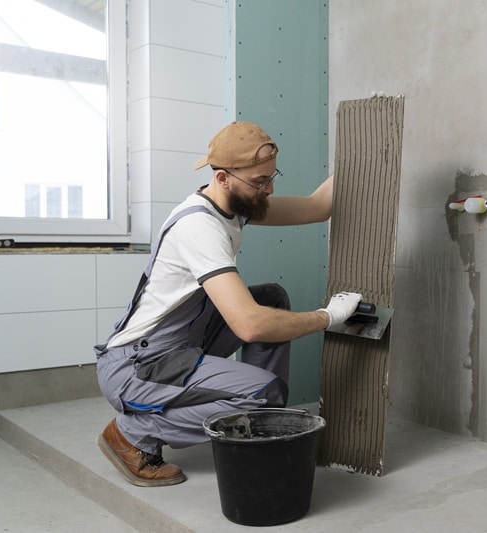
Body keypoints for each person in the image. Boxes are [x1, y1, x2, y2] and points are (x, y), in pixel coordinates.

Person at [94, 121, 361, 487]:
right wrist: (327, 316)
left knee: (270, 299)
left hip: (181, 345)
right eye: (259, 182)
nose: (268, 189)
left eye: (271, 177)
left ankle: (258, 418)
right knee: (264, 391)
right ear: (221, 178)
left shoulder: (237, 204)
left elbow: (317, 207)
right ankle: (133, 433)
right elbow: (250, 326)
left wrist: (358, 155)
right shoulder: (198, 226)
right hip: (140, 366)